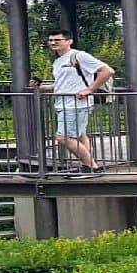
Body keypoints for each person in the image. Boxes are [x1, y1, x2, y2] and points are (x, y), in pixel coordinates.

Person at [42, 29, 112, 174]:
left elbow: (107, 71)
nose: (53, 43)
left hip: (75, 104)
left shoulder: (79, 56)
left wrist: (89, 90)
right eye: (51, 40)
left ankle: (93, 167)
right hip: (63, 103)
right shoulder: (58, 61)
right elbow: (63, 83)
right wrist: (42, 87)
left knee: (63, 137)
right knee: (80, 135)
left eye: (57, 40)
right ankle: (87, 166)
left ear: (69, 41)